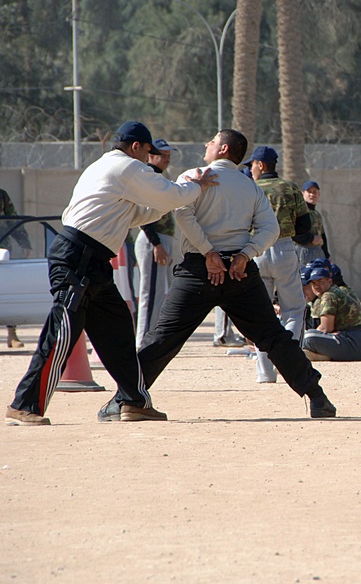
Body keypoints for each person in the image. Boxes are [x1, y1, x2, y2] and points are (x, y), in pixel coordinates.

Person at [97, 129, 338, 421]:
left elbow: (183, 215)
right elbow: (270, 229)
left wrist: (209, 253)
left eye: (211, 141)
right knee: (273, 336)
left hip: (199, 271)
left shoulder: (194, 175)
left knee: (162, 339)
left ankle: (127, 400)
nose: (206, 143)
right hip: (240, 273)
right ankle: (317, 397)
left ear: (223, 149)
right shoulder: (250, 186)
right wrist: (244, 255)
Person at [5, 121, 217, 425]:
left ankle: (134, 402)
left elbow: (143, 212)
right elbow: (170, 196)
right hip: (78, 256)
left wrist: (177, 197)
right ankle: (25, 404)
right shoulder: (127, 169)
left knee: (117, 332)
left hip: (92, 260)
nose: (149, 158)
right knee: (63, 331)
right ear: (135, 147)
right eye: (147, 152)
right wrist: (196, 185)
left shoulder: (106, 168)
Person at [246, 146, 311, 384]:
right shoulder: (291, 188)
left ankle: (265, 373)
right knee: (293, 310)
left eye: (252, 164)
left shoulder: (250, 188)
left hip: (255, 250)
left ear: (261, 165)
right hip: (284, 248)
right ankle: (289, 362)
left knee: (261, 314)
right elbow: (305, 228)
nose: (251, 169)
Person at [134, 138, 177, 348]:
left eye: (169, 156)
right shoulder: (148, 177)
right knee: (150, 294)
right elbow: (145, 216)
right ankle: (142, 342)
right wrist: (157, 244)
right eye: (163, 155)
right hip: (154, 241)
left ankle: (150, 338)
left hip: (163, 240)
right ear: (151, 156)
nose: (167, 159)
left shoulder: (160, 177)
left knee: (159, 294)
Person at [300, 266, 361, 362]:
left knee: (308, 337)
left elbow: (326, 328)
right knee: (308, 336)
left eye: (320, 282)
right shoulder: (332, 292)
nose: (316, 286)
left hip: (354, 342)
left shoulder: (329, 295)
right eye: (313, 283)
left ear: (330, 281)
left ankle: (321, 356)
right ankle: (321, 356)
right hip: (357, 342)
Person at [1, 186, 33, 348]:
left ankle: (12, 334)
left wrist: (24, 242)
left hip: (2, 251)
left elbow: (13, 220)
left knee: (7, 290)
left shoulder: (1, 194)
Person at [297, 180, 329, 267]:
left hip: (318, 251)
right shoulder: (300, 212)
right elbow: (295, 234)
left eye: (315, 192)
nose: (312, 195)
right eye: (309, 192)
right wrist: (311, 238)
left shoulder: (316, 214)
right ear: (302, 194)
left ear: (319, 194)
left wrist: (327, 256)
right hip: (303, 250)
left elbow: (322, 236)